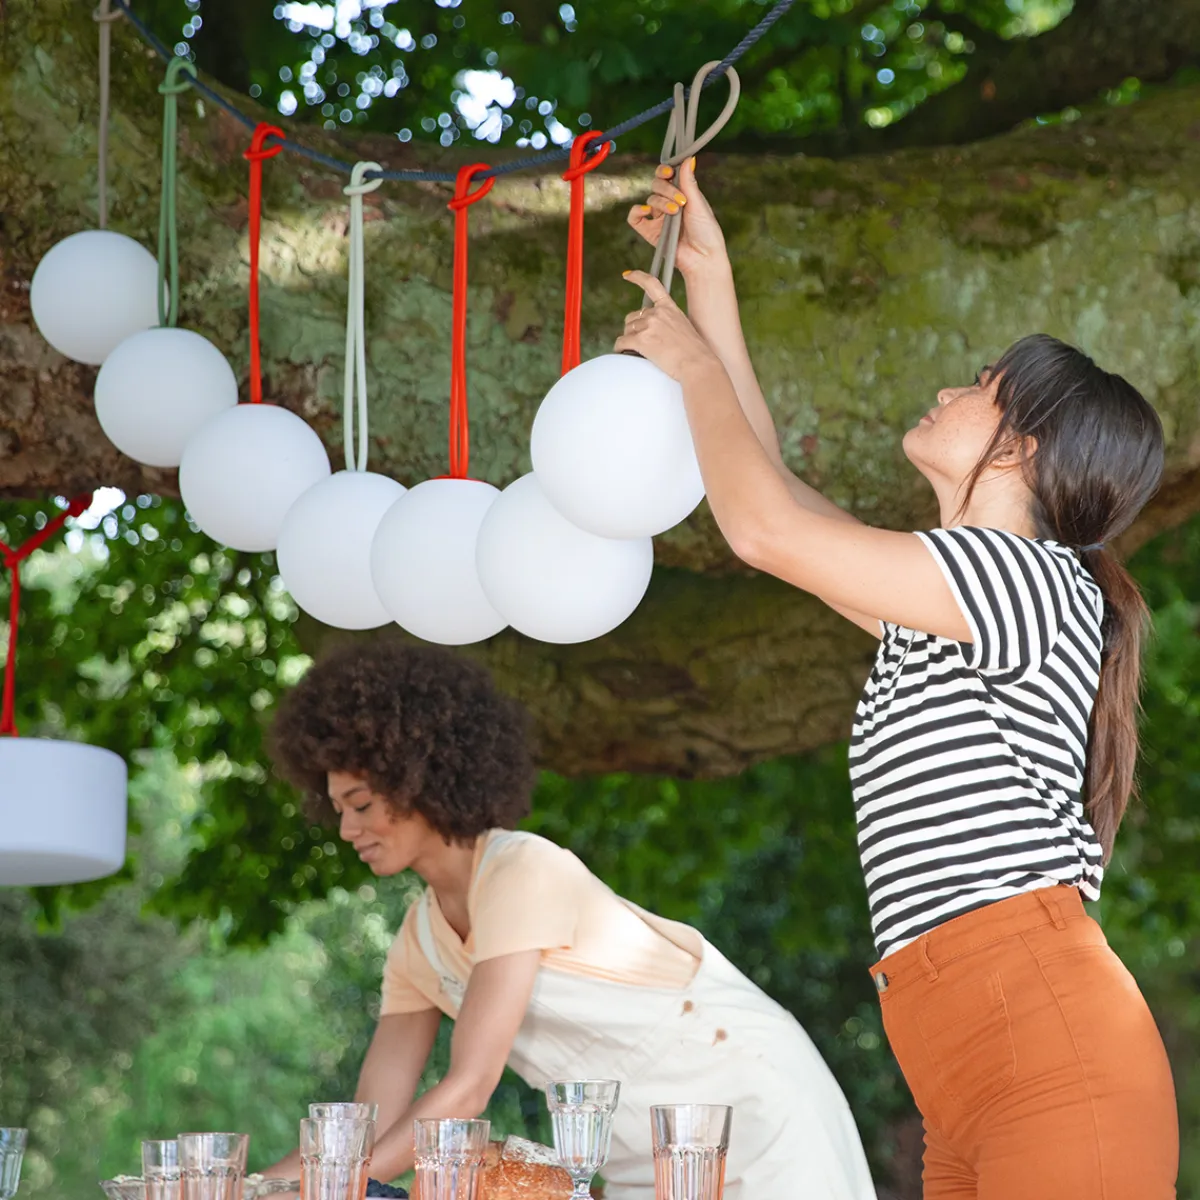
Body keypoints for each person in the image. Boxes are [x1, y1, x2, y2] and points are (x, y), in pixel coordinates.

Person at [617, 158, 1180, 1197]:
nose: (947, 390)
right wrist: (711, 277)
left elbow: (760, 528)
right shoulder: (953, 608)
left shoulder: (1022, 579)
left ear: (1023, 449)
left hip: (1045, 1056)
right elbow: (773, 489)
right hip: (966, 1059)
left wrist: (692, 368)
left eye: (979, 387)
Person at [262, 641, 876, 1200]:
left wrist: (331, 1188)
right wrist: (252, 1188)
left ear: (419, 775)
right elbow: (366, 1119)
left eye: (362, 804)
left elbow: (469, 1087)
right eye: (337, 808)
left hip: (747, 1106)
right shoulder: (417, 943)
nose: (346, 830)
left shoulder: (521, 868)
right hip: (636, 1153)